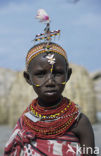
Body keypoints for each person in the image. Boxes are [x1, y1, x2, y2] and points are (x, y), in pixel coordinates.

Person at [4, 9, 96, 156]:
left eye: (58, 73)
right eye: (40, 74)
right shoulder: (25, 121)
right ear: (28, 79)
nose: (50, 81)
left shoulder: (79, 122)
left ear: (68, 75)